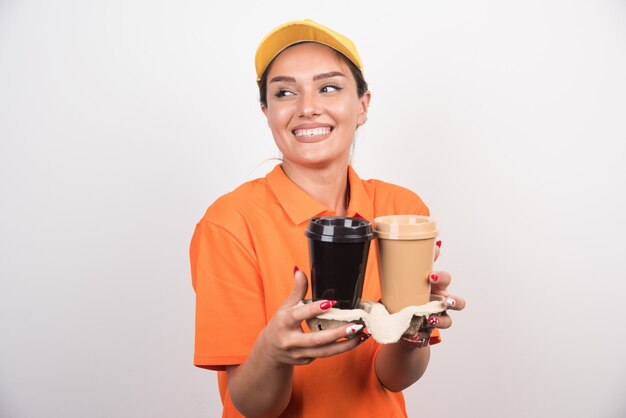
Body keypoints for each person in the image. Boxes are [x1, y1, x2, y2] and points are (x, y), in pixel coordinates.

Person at [190, 19, 466, 418]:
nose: (307, 107)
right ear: (266, 111)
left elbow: (392, 379)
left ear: (364, 105)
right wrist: (273, 351)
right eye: (285, 92)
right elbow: (254, 406)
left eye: (329, 87)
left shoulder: (402, 211)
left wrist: (411, 334)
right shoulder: (230, 223)